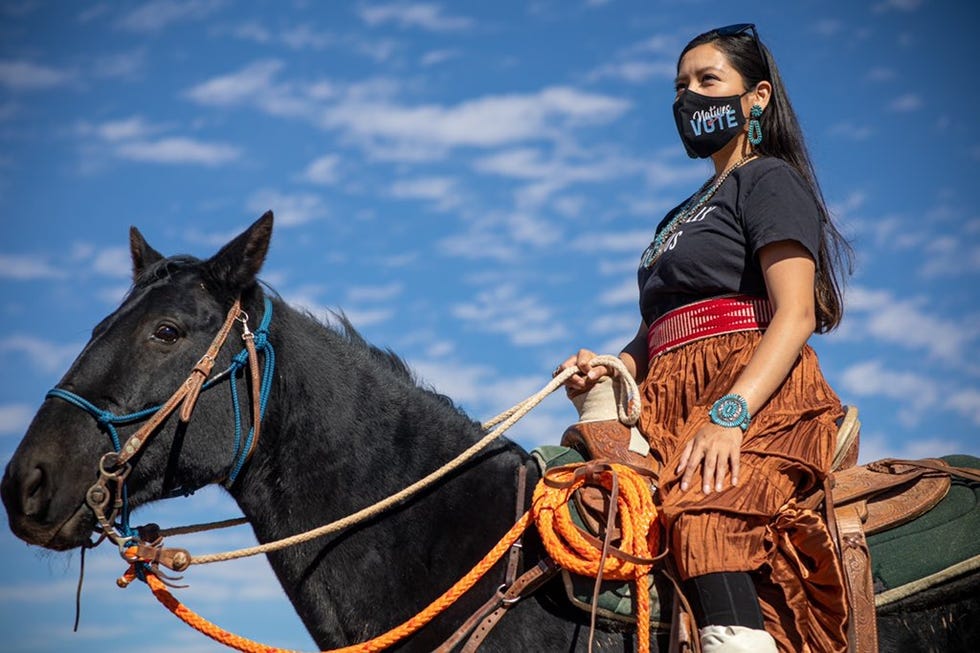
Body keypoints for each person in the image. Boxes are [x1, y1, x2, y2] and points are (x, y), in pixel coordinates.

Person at [557, 23, 853, 653]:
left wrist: (729, 415)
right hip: (666, 398)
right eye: (680, 86)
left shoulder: (767, 180)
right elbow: (656, 331)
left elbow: (796, 312)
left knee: (703, 516)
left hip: (755, 393)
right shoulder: (680, 213)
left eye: (707, 80)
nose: (689, 97)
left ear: (758, 97)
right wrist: (609, 367)